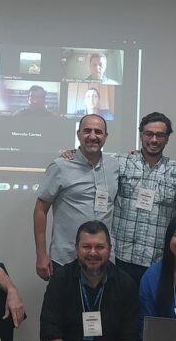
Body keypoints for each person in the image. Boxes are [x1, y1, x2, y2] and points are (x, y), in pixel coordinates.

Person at [34, 114, 119, 280]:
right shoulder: (60, 166)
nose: (93, 136)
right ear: (78, 134)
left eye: (98, 132)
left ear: (106, 137)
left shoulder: (115, 166)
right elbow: (40, 210)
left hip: (102, 259)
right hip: (66, 258)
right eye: (87, 131)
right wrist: (41, 255)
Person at [113, 112, 176, 286]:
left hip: (157, 261)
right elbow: (92, 166)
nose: (154, 140)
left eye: (160, 135)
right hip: (123, 257)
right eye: (149, 134)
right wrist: (73, 153)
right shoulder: (120, 162)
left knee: (151, 311)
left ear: (167, 138)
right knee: (124, 311)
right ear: (141, 135)